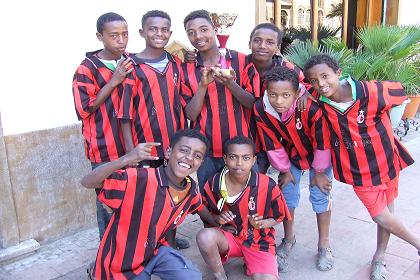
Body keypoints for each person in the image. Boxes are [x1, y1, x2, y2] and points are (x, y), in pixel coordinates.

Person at [304, 54, 420, 280]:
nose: (321, 84)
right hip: (358, 172)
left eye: (325, 76)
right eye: (314, 81)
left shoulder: (371, 91)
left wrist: (386, 122)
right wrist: (302, 92)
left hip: (387, 162)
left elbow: (400, 93)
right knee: (381, 216)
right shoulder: (320, 103)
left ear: (338, 73)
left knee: (388, 213)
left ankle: (379, 257)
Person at [81, 129, 208, 280]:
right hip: (120, 263)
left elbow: (199, 207)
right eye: (184, 150)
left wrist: (219, 223)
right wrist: (126, 159)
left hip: (154, 252)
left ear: (201, 163)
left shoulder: (190, 189)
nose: (189, 158)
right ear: (168, 153)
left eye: (197, 156)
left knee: (192, 277)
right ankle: (96, 270)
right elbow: (88, 182)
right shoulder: (139, 178)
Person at [118, 10, 189, 249]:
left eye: (164, 30)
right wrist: (131, 153)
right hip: (146, 148)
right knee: (149, 198)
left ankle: (169, 238)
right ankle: (149, 242)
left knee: (174, 193)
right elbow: (125, 115)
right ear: (142, 32)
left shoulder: (175, 63)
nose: (159, 34)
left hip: (175, 148)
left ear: (170, 33)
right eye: (153, 29)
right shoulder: (133, 67)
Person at [253, 66, 334, 272]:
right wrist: (284, 168)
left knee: (320, 196)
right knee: (287, 195)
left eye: (285, 95)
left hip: (319, 157)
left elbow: (322, 142)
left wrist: (321, 172)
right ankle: (289, 239)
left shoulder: (309, 107)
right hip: (291, 157)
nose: (278, 101)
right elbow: (271, 142)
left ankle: (323, 246)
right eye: (273, 94)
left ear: (297, 93)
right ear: (266, 92)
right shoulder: (262, 109)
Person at [181, 9, 260, 191]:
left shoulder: (241, 60)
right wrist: (202, 86)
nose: (198, 36)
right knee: (212, 205)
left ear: (215, 28)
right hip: (206, 151)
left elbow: (253, 103)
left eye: (203, 29)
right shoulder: (186, 68)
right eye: (191, 33)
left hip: (241, 151)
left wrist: (230, 84)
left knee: (247, 201)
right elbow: (191, 114)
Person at [72, 12, 132, 241]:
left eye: (125, 34)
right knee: (108, 200)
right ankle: (108, 251)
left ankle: (134, 247)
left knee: (133, 197)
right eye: (114, 35)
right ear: (100, 36)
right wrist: (114, 80)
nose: (121, 40)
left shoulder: (128, 60)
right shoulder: (86, 69)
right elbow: (84, 109)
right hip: (104, 147)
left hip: (131, 145)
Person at [196, 136, 290, 280]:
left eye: (246, 158)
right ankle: (220, 275)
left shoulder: (267, 184)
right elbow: (204, 210)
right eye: (233, 157)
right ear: (225, 159)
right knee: (204, 236)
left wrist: (262, 223)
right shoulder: (214, 183)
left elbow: (280, 216)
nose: (239, 163)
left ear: (253, 160)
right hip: (229, 239)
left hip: (259, 241)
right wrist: (217, 220)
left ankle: (256, 262)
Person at [246, 23, 310, 174]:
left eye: (270, 42)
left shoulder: (286, 67)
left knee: (258, 178)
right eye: (257, 40)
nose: (262, 46)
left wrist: (306, 92)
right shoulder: (240, 64)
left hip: (272, 136)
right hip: (246, 133)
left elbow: (307, 82)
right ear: (249, 43)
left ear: (277, 47)